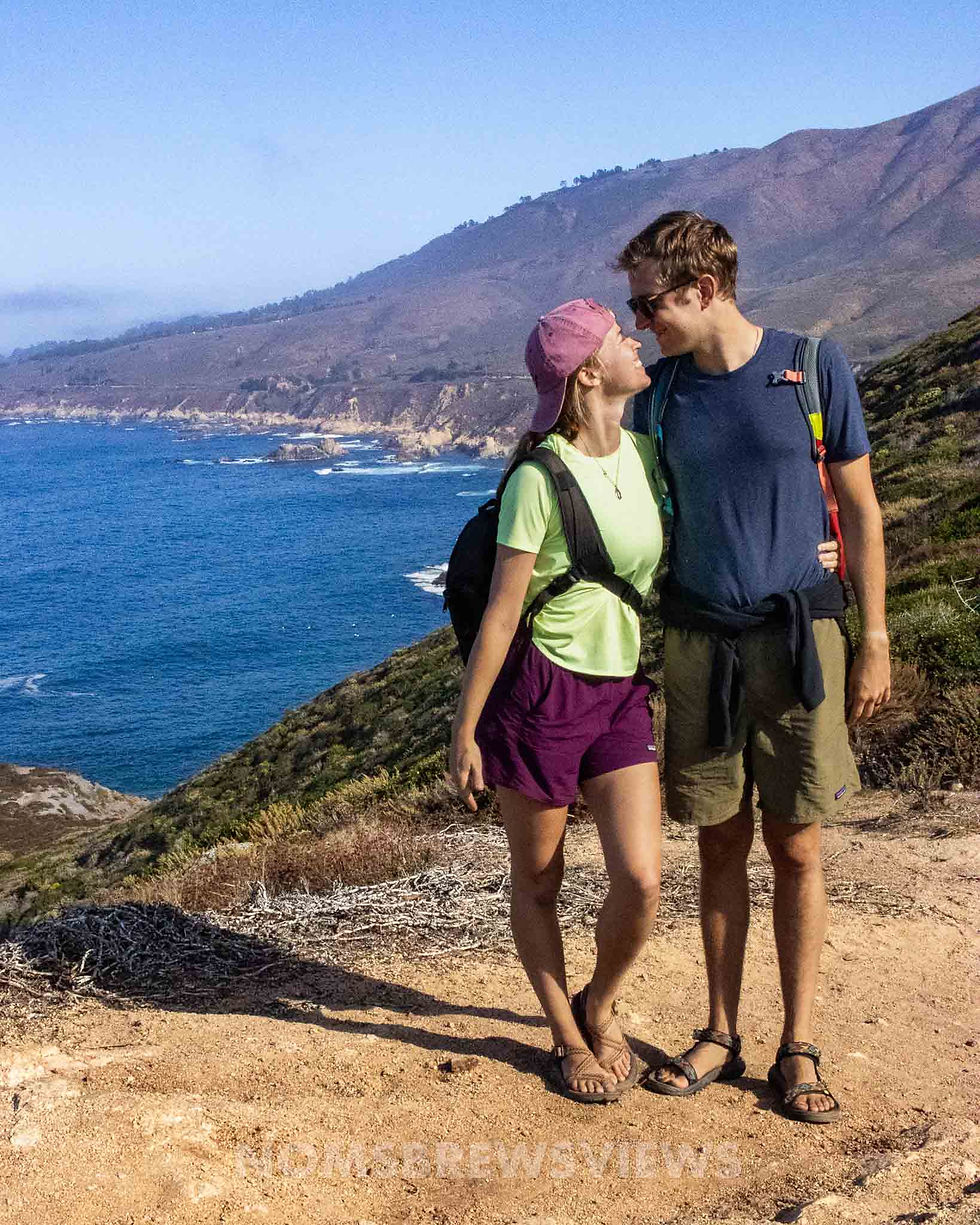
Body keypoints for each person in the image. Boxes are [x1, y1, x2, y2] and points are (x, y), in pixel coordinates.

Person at [618, 211, 890, 1123]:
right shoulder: (657, 396)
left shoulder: (813, 365)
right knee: (719, 841)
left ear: (704, 287)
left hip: (799, 640)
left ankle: (799, 1044)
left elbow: (861, 506)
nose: (642, 318)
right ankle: (721, 1029)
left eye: (650, 302)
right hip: (700, 641)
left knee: (799, 844)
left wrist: (876, 638)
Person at [449, 298, 664, 1103]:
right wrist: (465, 731)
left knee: (640, 877)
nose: (634, 340)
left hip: (620, 693)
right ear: (588, 373)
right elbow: (502, 615)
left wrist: (815, 541)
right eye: (618, 338)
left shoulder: (645, 452)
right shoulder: (537, 480)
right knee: (539, 880)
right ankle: (567, 1037)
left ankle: (598, 1001)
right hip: (541, 694)